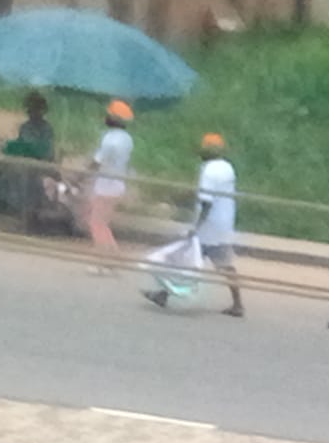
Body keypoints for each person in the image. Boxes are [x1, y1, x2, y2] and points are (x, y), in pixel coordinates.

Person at [144, 134, 244, 317]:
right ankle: (237, 303)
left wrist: (196, 226)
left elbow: (207, 202)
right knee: (223, 265)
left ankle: (163, 294)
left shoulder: (208, 171)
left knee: (184, 259)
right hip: (224, 223)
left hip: (207, 226)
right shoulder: (227, 167)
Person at [86, 100, 134, 273]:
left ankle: (105, 261)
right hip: (118, 184)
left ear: (114, 118)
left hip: (105, 186)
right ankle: (112, 260)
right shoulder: (127, 139)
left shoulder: (110, 139)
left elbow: (97, 162)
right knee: (103, 224)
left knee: (96, 223)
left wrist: (82, 175)